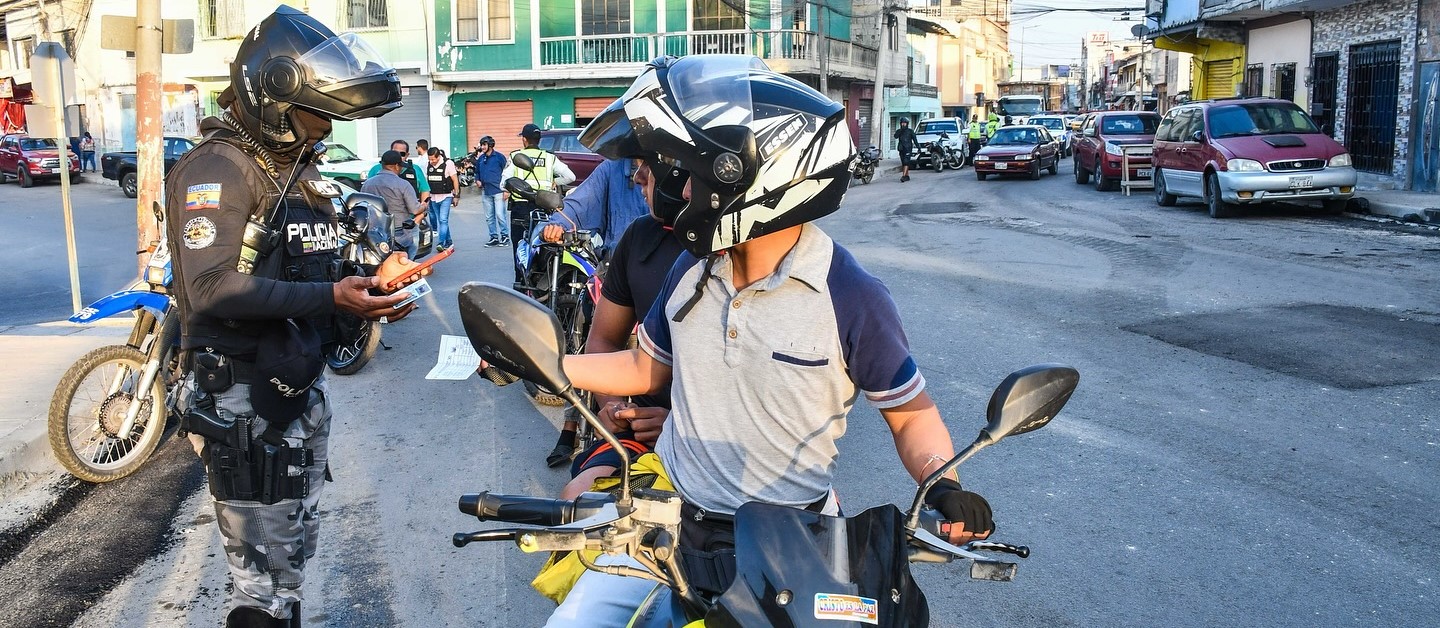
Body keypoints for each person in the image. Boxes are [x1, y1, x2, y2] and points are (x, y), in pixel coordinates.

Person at [503, 55, 995, 626]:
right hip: (672, 520)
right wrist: (540, 360)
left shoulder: (850, 294)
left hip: (798, 539)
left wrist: (943, 482)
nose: (676, 187)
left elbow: (911, 417)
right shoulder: (691, 269)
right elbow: (645, 368)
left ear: (746, 177)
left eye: (691, 171)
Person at [162, 7, 422, 626]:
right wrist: (333, 299)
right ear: (274, 95)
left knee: (289, 565)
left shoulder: (297, 174)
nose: (326, 127)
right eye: (317, 112)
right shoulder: (219, 167)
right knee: (262, 588)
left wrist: (369, 281)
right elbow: (209, 287)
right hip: (244, 401)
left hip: (291, 391)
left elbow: (311, 269)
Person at [555, 156, 685, 495]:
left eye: (649, 166)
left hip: (714, 439)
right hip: (641, 430)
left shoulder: (725, 255)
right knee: (578, 500)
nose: (637, 177)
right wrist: (611, 403)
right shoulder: (640, 235)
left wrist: (679, 423)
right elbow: (605, 341)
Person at [503, 122, 575, 288]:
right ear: (539, 140)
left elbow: (503, 183)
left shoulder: (515, 156)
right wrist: (553, 182)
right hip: (544, 207)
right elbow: (570, 176)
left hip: (521, 208)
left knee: (520, 247)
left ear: (524, 140)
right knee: (542, 245)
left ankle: (521, 283)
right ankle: (540, 281)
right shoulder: (550, 158)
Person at [539, 158, 649, 258]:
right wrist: (558, 225)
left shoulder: (665, 171)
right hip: (617, 266)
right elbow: (580, 204)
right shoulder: (612, 168)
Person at [363, 150, 429, 259]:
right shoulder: (403, 184)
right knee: (405, 261)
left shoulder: (367, 184)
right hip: (400, 231)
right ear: (397, 166)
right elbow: (415, 209)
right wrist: (424, 206)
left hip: (375, 231)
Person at [472, 136, 509, 247]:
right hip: (485, 191)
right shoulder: (481, 159)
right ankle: (493, 237)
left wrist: (507, 190)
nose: (482, 147)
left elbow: (507, 172)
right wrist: (477, 180)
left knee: (500, 215)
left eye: (484, 145)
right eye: (482, 145)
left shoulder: (499, 157)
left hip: (498, 191)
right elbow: (477, 172)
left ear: (491, 145)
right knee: (489, 217)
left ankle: (505, 236)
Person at [367, 139, 430, 204]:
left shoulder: (415, 169)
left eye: (402, 154)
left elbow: (425, 190)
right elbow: (367, 191)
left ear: (407, 155)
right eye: (395, 152)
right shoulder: (376, 169)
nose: (398, 156)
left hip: (410, 211)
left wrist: (422, 211)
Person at [425, 147, 459, 252]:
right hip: (434, 197)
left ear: (438, 157)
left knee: (443, 220)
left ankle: (441, 243)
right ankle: (449, 242)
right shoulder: (429, 165)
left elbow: (455, 180)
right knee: (441, 220)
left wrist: (456, 196)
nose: (431, 162)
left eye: (433, 160)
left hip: (446, 196)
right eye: (430, 159)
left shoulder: (448, 163)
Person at [894, 117, 916, 182]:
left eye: (905, 123)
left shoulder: (910, 131)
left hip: (908, 149)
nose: (903, 124)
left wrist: (918, 148)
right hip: (901, 149)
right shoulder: (899, 131)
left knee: (906, 162)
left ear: (907, 124)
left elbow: (915, 140)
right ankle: (906, 175)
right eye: (902, 123)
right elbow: (895, 136)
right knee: (903, 163)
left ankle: (903, 176)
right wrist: (900, 131)